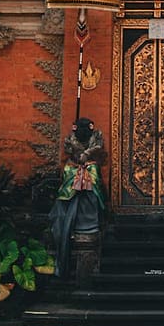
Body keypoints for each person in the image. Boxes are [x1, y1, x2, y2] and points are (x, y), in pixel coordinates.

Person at [49, 118, 105, 277]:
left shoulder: (96, 138)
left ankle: (89, 224)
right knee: (68, 199)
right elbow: (68, 150)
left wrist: (87, 155)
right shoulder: (71, 140)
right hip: (73, 169)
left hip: (90, 167)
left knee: (91, 194)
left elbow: (98, 148)